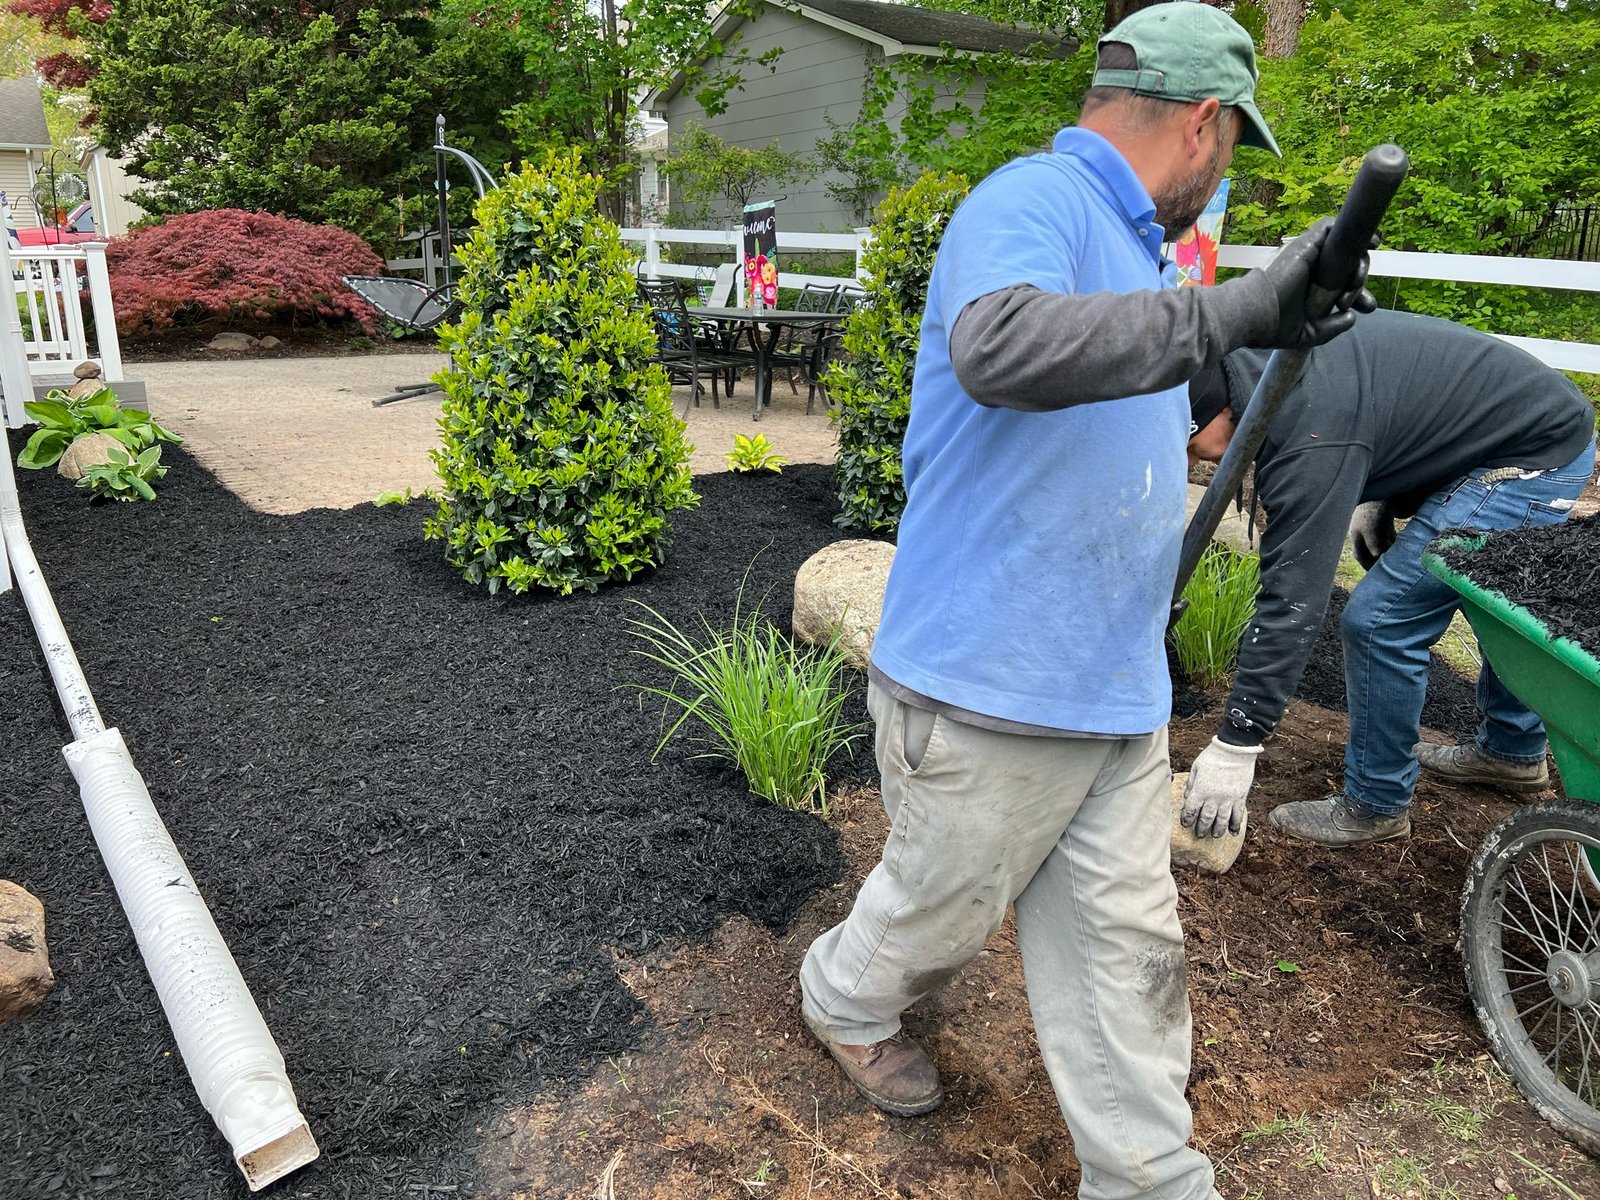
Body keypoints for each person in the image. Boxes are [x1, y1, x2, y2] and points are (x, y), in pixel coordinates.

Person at [797, 4, 1372, 1198]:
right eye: (1230, 152)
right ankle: (842, 996)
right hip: (991, 678)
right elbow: (1000, 347)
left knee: (1129, 952)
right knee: (940, 917)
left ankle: (1151, 1179)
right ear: (1203, 124)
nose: (1222, 177)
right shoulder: (1032, 201)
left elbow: (1167, 422)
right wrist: (1233, 307)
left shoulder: (1143, 257)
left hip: (1111, 684)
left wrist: (1271, 339)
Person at [1180, 309, 1597, 849]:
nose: (1189, 456)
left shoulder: (1310, 431)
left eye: (1190, 439)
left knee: (1380, 621)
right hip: (1513, 425)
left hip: (1532, 454)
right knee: (1486, 598)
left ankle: (1376, 802)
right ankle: (1512, 752)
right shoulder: (1262, 362)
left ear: (1226, 409)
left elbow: (1293, 595)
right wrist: (1382, 491)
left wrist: (1237, 742)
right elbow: (1390, 397)